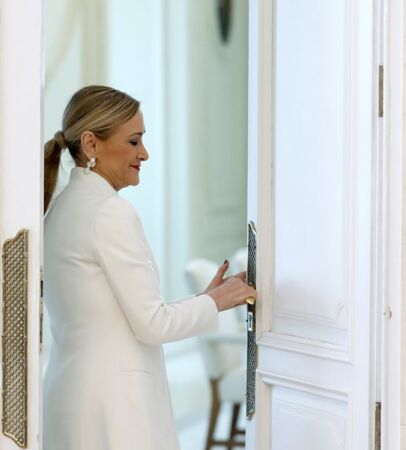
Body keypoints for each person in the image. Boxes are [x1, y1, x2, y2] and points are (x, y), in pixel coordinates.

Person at [42, 85, 257, 450]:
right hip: (115, 406)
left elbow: (111, 314)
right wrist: (218, 301)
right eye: (134, 141)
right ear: (92, 144)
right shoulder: (110, 212)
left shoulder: (60, 209)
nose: (144, 153)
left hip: (70, 395)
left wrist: (204, 299)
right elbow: (152, 324)